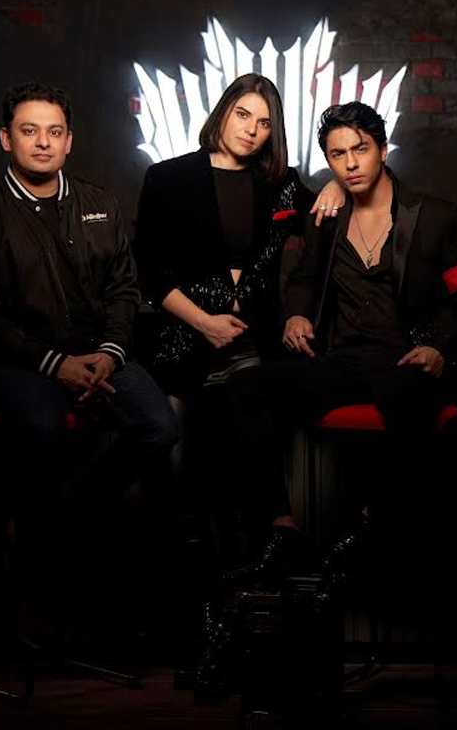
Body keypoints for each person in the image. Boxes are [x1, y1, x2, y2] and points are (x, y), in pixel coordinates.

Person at [224, 100, 457, 587]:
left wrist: (441, 347)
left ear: (383, 150)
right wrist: (295, 314)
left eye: (361, 149)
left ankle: (373, 527)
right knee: (243, 388)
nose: (351, 163)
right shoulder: (327, 218)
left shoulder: (437, 216)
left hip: (405, 356)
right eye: (338, 155)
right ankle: (283, 529)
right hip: (343, 357)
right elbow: (303, 279)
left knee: (411, 396)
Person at [0, 83, 178, 579]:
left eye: (54, 132)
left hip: (100, 353)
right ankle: (40, 558)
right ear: (6, 138)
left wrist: (110, 354)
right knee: (44, 428)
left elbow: (124, 290)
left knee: (160, 426)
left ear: (69, 141)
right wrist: (55, 365)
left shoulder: (101, 204)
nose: (43, 142)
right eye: (30, 131)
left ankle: (59, 512)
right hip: (22, 361)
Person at [133, 74, 342, 540]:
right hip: (180, 342)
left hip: (250, 342)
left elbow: (331, 219)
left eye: (264, 123)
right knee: (176, 470)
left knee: (245, 470)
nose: (251, 129)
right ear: (223, 112)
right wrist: (204, 323)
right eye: (243, 114)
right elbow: (149, 272)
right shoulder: (167, 177)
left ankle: (255, 558)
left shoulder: (281, 183)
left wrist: (336, 186)